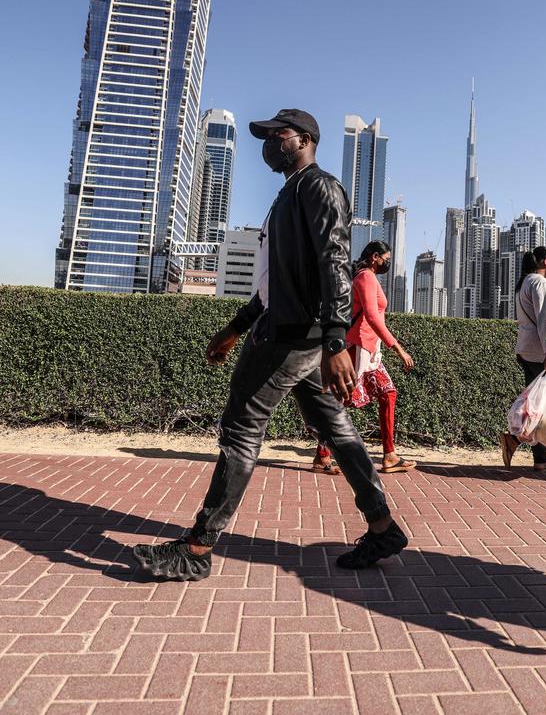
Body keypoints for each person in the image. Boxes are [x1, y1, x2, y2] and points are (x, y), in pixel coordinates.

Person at [132, 109, 408, 578]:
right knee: (336, 429)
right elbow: (270, 284)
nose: (267, 143)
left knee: (241, 429)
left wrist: (336, 339)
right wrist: (235, 327)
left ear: (303, 139)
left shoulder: (318, 187)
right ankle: (382, 527)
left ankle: (197, 548)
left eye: (275, 135)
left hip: (292, 338)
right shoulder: (288, 194)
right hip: (287, 331)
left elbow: (334, 263)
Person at [312, 240, 416, 475]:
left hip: (369, 349)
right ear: (374, 257)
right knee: (339, 399)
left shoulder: (365, 276)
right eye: (385, 258)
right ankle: (322, 455)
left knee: (387, 394)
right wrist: (398, 348)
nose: (387, 262)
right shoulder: (366, 277)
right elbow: (371, 316)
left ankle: (389, 456)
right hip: (358, 347)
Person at [500, 246, 546, 471]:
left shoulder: (525, 283)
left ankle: (540, 458)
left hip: (529, 349)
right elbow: (544, 320)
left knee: (538, 402)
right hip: (542, 351)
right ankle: (515, 439)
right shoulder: (538, 283)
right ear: (543, 261)